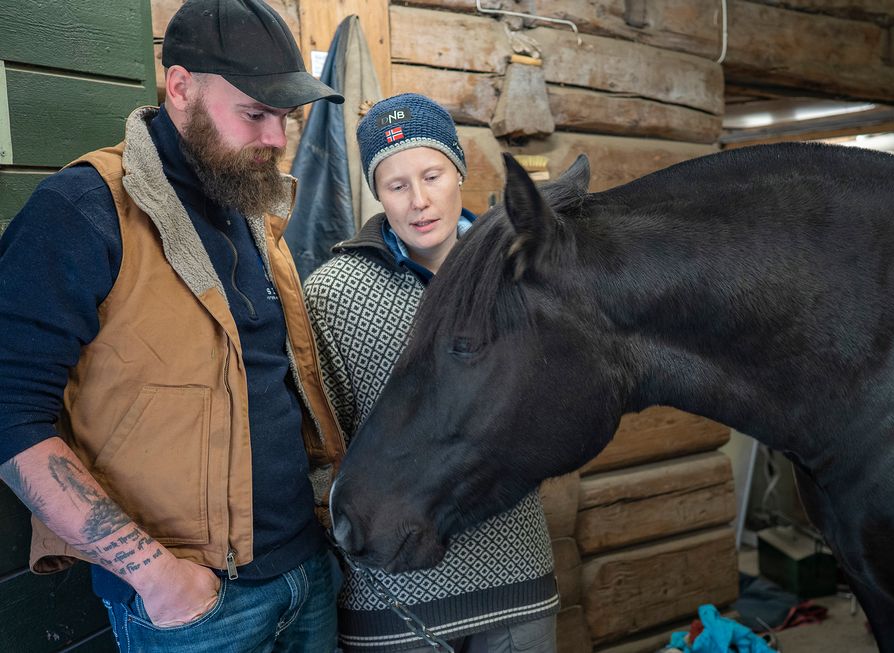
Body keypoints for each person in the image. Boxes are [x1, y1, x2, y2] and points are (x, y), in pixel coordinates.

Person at [0, 1, 348, 651]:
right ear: (181, 87)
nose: (276, 139)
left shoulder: (249, 207)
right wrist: (157, 576)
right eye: (255, 113)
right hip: (193, 606)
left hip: (306, 572)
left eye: (285, 118)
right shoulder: (85, 208)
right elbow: (10, 411)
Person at [304, 93, 559, 652]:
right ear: (378, 194)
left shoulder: (518, 274)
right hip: (390, 596)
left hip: (516, 574)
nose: (419, 200)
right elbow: (323, 445)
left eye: (432, 175)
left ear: (459, 171)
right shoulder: (333, 293)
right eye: (397, 185)